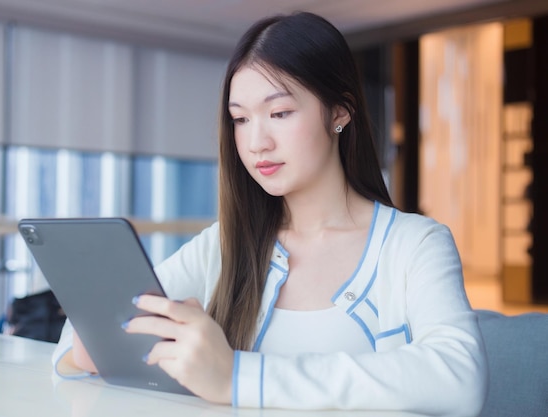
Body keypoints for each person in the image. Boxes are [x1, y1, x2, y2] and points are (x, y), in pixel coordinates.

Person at [53, 11, 488, 415]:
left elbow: (460, 378)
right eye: (240, 119)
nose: (256, 141)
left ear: (340, 112)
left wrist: (237, 377)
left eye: (279, 112)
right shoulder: (224, 245)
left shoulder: (414, 244)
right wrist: (93, 348)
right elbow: (70, 350)